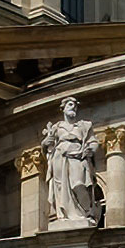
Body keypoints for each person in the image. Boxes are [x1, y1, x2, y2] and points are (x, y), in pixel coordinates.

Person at [42, 97, 101, 228]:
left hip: (78, 156)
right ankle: (65, 215)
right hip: (60, 158)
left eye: (75, 105)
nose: (73, 107)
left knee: (78, 184)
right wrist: (46, 143)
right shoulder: (57, 127)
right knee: (61, 187)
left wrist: (90, 149)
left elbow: (93, 141)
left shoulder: (84, 125)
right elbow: (47, 144)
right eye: (70, 105)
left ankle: (84, 213)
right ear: (63, 108)